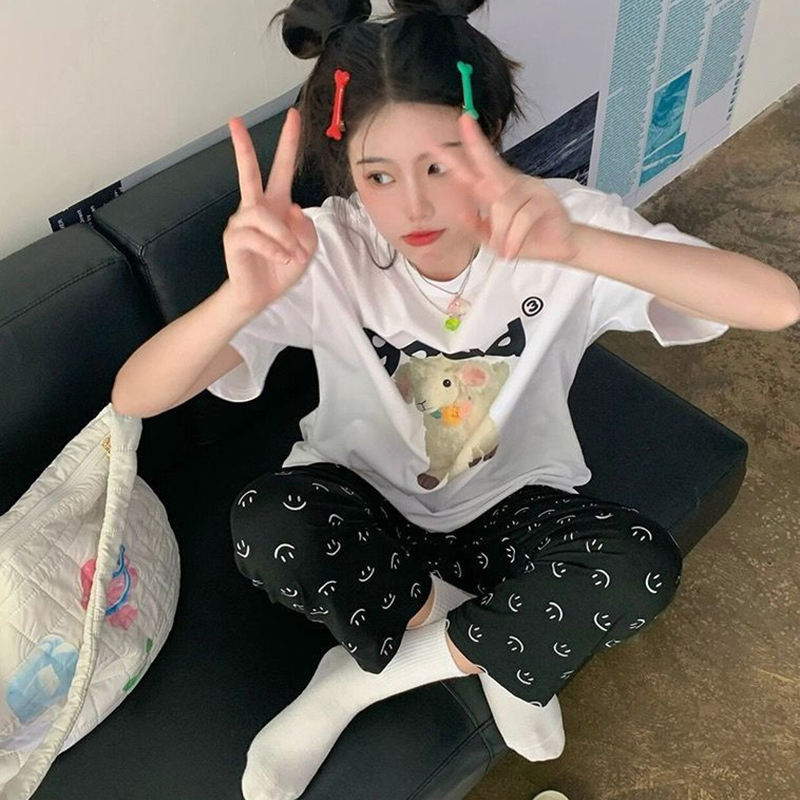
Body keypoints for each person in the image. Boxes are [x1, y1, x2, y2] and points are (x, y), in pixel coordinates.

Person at [111, 1, 800, 799]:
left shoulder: (560, 224)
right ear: (347, 172)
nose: (412, 208)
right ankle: (498, 646)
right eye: (378, 176)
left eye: (440, 166)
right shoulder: (324, 249)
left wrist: (582, 245)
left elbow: (776, 303)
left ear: (490, 135)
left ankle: (352, 683)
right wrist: (238, 298)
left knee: (640, 567)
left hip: (511, 504)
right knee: (269, 525)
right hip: (362, 500)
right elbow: (136, 395)